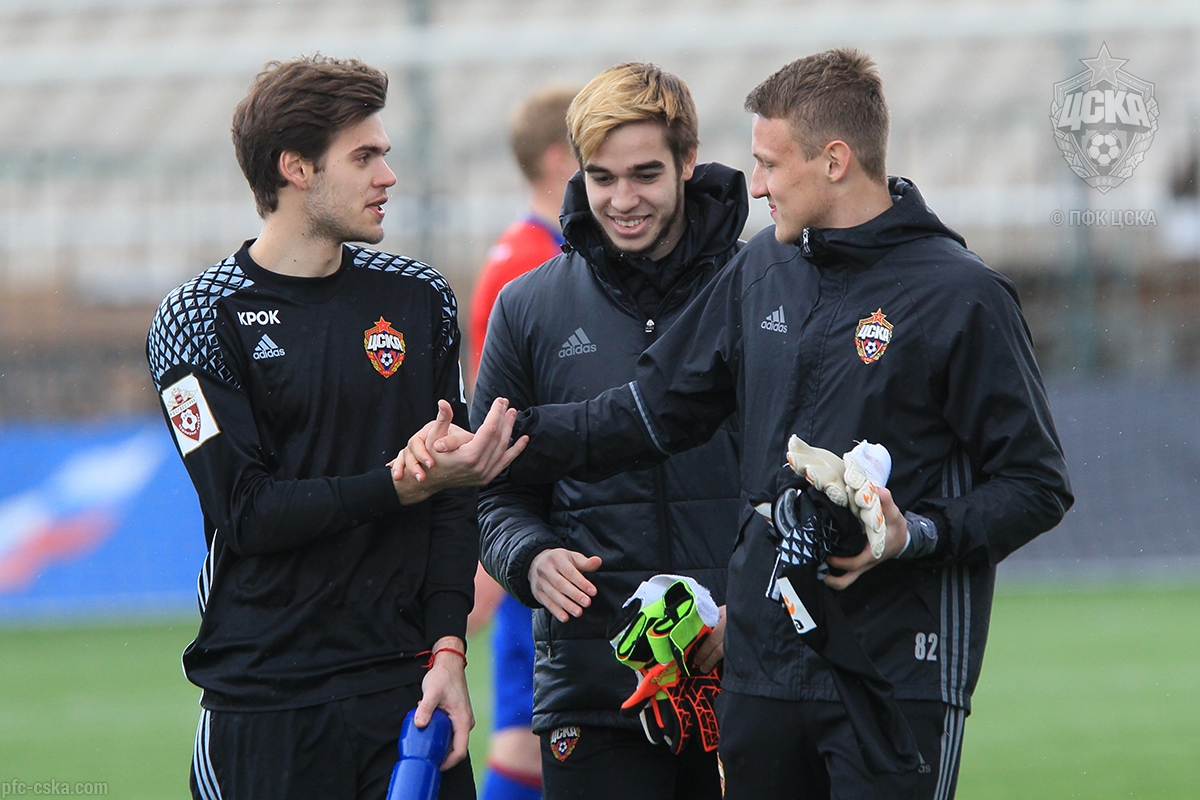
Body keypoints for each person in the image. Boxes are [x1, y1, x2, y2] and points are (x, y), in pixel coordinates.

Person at [404, 49, 1072, 800]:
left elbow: (1037, 485)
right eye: (602, 177)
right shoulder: (761, 273)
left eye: (769, 164)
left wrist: (911, 533)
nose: (754, 184)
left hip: (890, 670)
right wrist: (491, 445)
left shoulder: (962, 294)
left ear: (834, 160)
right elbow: (645, 414)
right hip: (748, 680)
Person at [146, 55, 525, 800]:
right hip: (266, 701)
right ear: (296, 168)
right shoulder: (194, 320)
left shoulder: (419, 299)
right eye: (364, 157)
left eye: (384, 154)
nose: (388, 176)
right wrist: (396, 485)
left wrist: (449, 649)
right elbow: (246, 513)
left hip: (407, 693)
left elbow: (451, 499)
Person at [465, 62, 747, 800]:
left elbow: (796, 479)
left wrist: (748, 612)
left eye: (645, 174)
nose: (623, 200)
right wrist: (527, 557)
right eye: (602, 177)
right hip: (594, 690)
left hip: (748, 676)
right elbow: (491, 490)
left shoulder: (760, 292)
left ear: (688, 161)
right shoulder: (528, 307)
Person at [468, 84, 578, 800]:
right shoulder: (528, 262)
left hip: (555, 521)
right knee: (532, 732)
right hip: (540, 525)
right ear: (559, 158)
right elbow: (501, 416)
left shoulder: (549, 249)